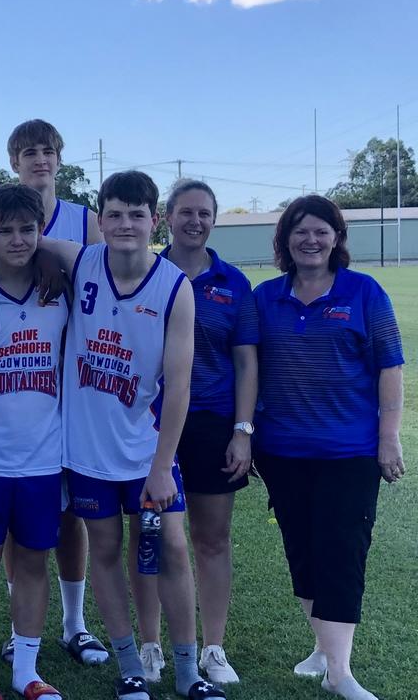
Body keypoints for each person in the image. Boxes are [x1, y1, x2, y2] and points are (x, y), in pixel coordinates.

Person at [0, 171, 223, 700]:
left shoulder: (174, 287)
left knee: (172, 549)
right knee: (104, 551)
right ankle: (129, 666)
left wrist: (162, 465)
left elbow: (178, 389)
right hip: (84, 452)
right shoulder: (81, 261)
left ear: (155, 220)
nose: (125, 224)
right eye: (115, 214)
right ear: (99, 220)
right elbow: (12, 241)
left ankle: (187, 671)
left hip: (147, 451)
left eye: (136, 214)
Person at [251, 195, 404, 700]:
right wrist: (246, 433)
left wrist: (388, 438)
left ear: (337, 238)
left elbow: (390, 367)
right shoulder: (266, 297)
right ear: (285, 241)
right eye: (300, 232)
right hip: (283, 452)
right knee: (303, 551)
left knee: (341, 552)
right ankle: (323, 645)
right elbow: (248, 371)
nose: (310, 240)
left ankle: (340, 673)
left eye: (321, 231)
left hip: (350, 452)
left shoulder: (364, 292)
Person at [131, 180, 257, 686]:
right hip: (149, 424)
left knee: (212, 538)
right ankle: (150, 643)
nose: (195, 221)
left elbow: (247, 362)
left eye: (204, 213)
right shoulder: (145, 271)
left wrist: (242, 431)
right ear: (166, 217)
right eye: (186, 212)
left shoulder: (233, 283)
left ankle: (213, 648)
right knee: (150, 535)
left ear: (214, 219)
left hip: (210, 423)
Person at [0, 118, 107, 668]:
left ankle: (74, 622)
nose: (40, 159)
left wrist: (51, 250)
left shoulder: (85, 218)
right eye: (29, 152)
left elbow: (97, 272)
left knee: (70, 515)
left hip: (74, 378)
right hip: (22, 377)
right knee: (23, 513)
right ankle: (22, 626)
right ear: (14, 160)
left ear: (59, 159)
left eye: (48, 151)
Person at [0, 185, 66, 700]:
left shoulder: (60, 286)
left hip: (44, 455)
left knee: (33, 561)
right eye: (5, 230)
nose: (18, 240)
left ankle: (26, 670)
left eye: (28, 229)